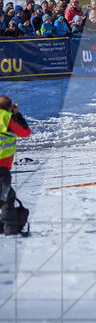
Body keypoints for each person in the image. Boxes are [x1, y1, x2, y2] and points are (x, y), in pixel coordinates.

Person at [0, 96, 30, 236]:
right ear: (9, 107)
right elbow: (25, 132)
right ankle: (10, 229)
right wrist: (17, 114)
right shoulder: (7, 118)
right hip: (2, 168)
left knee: (7, 195)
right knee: (6, 198)